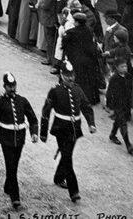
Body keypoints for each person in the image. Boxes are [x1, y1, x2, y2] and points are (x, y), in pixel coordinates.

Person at [39, 62, 96, 203]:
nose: (70, 79)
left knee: (66, 155)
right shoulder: (55, 91)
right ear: (61, 76)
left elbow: (86, 107)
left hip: (75, 129)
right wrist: (43, 132)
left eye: (72, 75)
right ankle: (74, 191)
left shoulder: (78, 90)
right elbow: (46, 112)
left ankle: (58, 177)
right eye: (67, 76)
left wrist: (91, 123)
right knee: (68, 158)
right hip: (61, 129)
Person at [0, 73, 39, 210]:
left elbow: (32, 118)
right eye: (9, 86)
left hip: (20, 139)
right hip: (6, 140)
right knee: (11, 167)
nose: (12, 88)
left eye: (13, 86)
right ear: (4, 87)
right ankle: (15, 199)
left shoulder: (23, 101)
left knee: (14, 165)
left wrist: (34, 133)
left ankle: (8, 185)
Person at [105, 58, 133, 155]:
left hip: (126, 104)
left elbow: (132, 89)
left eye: (125, 66)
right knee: (123, 123)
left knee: (119, 120)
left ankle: (112, 135)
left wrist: (132, 102)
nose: (124, 68)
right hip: (117, 104)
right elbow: (109, 92)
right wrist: (109, 106)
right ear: (117, 68)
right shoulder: (114, 78)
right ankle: (128, 144)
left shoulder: (129, 76)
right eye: (122, 67)